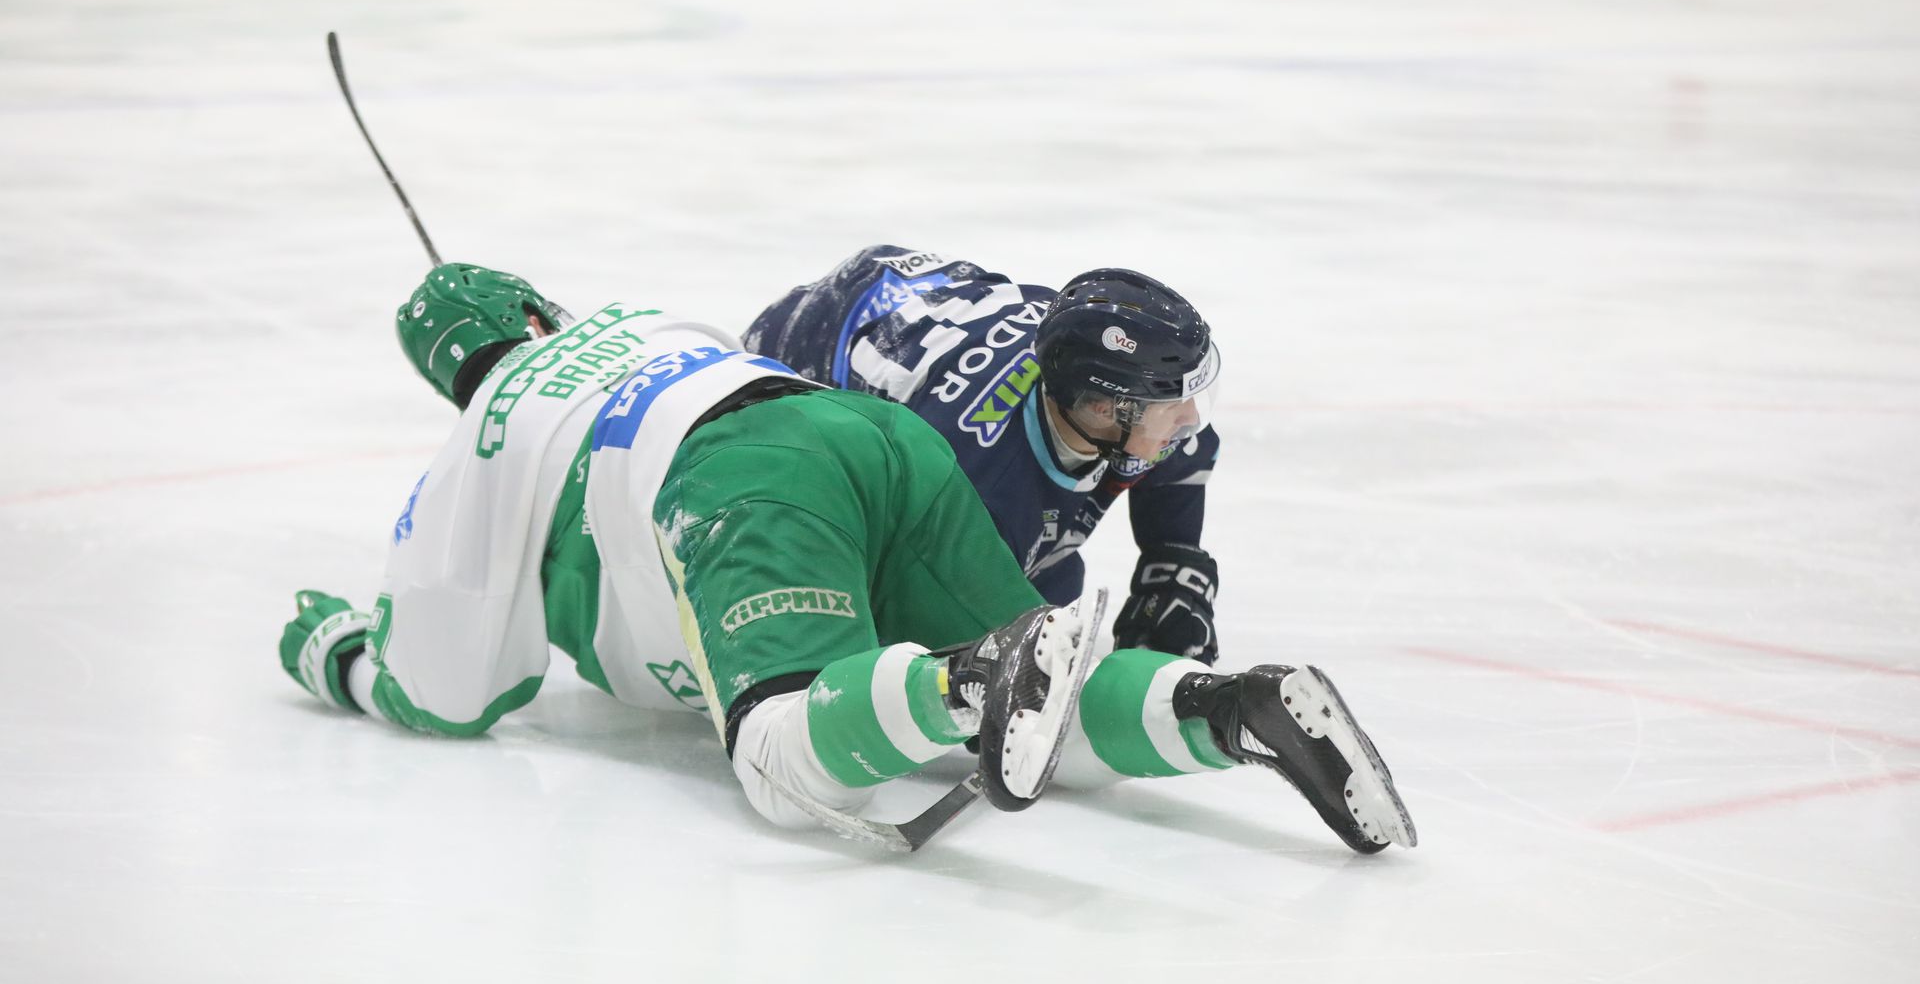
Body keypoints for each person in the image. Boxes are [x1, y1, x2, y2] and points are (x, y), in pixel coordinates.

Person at [278, 264, 1415, 852]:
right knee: (1061, 716)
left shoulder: (489, 426)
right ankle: (1231, 704)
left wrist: (338, 651)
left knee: (783, 764)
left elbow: (448, 687)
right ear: (539, 307)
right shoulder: (639, 315)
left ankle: (965, 676)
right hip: (878, 437)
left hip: (754, 483)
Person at [744, 247, 1226, 666]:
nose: (1189, 419)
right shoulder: (976, 486)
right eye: (1173, 404)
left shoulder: (1109, 404)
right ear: (1103, 409)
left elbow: (1177, 464)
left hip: (913, 298)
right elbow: (945, 663)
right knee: (1035, 600)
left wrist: (1172, 561)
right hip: (805, 345)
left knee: (1050, 584)